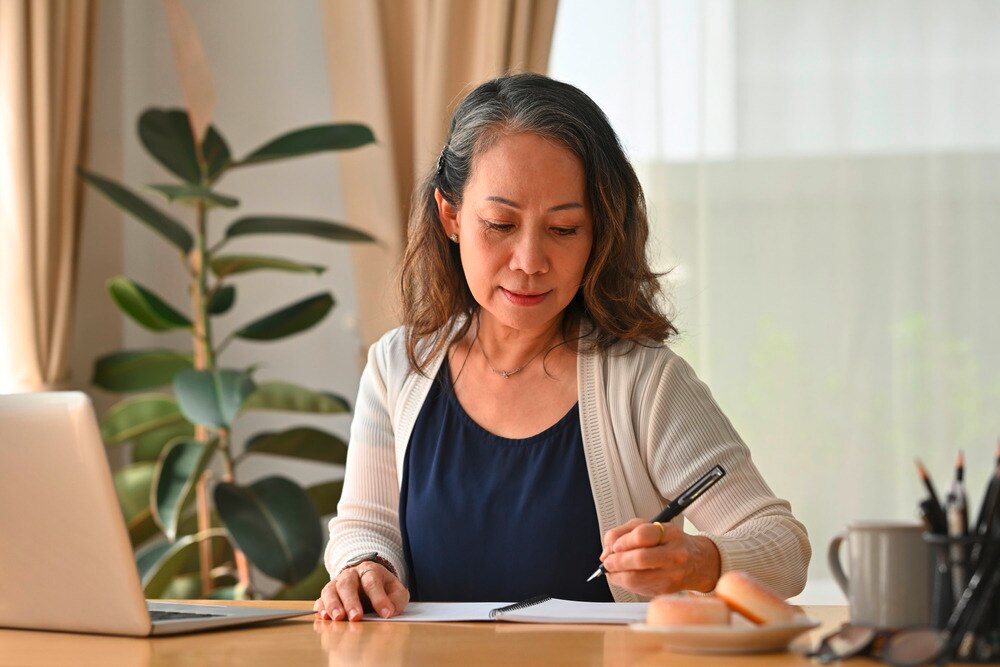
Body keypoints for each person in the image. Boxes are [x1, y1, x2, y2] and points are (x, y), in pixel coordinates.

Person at [314, 72, 811, 622]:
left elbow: (784, 547)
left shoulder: (644, 384)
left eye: (565, 229)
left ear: (599, 232)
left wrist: (699, 560)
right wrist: (363, 566)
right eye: (500, 223)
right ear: (451, 216)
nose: (529, 261)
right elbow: (364, 526)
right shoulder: (397, 367)